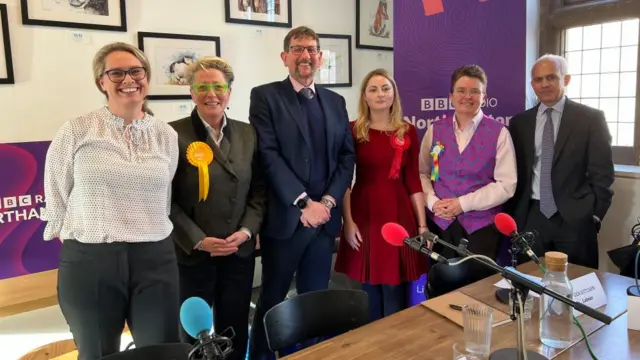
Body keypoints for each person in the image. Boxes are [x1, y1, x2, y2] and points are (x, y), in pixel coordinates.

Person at [42, 42, 180, 360]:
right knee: (98, 354)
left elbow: (165, 195)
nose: (128, 79)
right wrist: (85, 239)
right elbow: (56, 196)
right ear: (101, 82)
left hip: (155, 259)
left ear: (146, 77)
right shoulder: (77, 130)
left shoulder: (166, 135)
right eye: (116, 72)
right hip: (92, 262)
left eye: (136, 71)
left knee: (161, 353)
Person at [248, 26, 355, 359]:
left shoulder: (336, 102)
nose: (305, 55)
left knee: (315, 301)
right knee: (272, 300)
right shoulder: (265, 96)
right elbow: (267, 154)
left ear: (320, 57)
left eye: (311, 49)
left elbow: (346, 157)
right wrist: (303, 202)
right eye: (297, 49)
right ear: (285, 57)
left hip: (324, 223)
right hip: (287, 221)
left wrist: (326, 202)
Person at [168, 56, 266, 360]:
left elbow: (259, 191)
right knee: (192, 333)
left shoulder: (248, 133)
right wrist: (198, 239)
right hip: (193, 253)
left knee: (235, 326)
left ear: (229, 91)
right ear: (191, 92)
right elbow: (163, 199)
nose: (212, 94)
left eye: (219, 86)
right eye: (203, 87)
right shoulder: (172, 134)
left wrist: (247, 231)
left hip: (238, 252)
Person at [334, 69, 427, 321]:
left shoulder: (407, 131)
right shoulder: (352, 130)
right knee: (369, 290)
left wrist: (422, 225)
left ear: (394, 93)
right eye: (373, 89)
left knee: (395, 290)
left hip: (399, 215)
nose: (380, 94)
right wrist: (348, 222)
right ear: (364, 96)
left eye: (385, 88)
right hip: (364, 214)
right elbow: (344, 181)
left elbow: (413, 181)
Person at [507, 54, 614, 269]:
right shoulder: (520, 123)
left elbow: (603, 175)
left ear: (566, 80)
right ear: (532, 84)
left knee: (577, 285)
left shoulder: (590, 119)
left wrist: (593, 216)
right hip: (532, 216)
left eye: (551, 77)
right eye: (538, 79)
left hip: (575, 219)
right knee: (532, 283)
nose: (544, 84)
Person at [419, 64, 517, 278]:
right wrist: (433, 201)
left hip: (481, 229)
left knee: (476, 293)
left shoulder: (499, 133)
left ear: (484, 97)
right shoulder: (435, 129)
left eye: (475, 91)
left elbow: (506, 185)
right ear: (451, 96)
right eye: (461, 91)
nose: (467, 96)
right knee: (440, 287)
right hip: (440, 225)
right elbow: (423, 173)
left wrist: (462, 204)